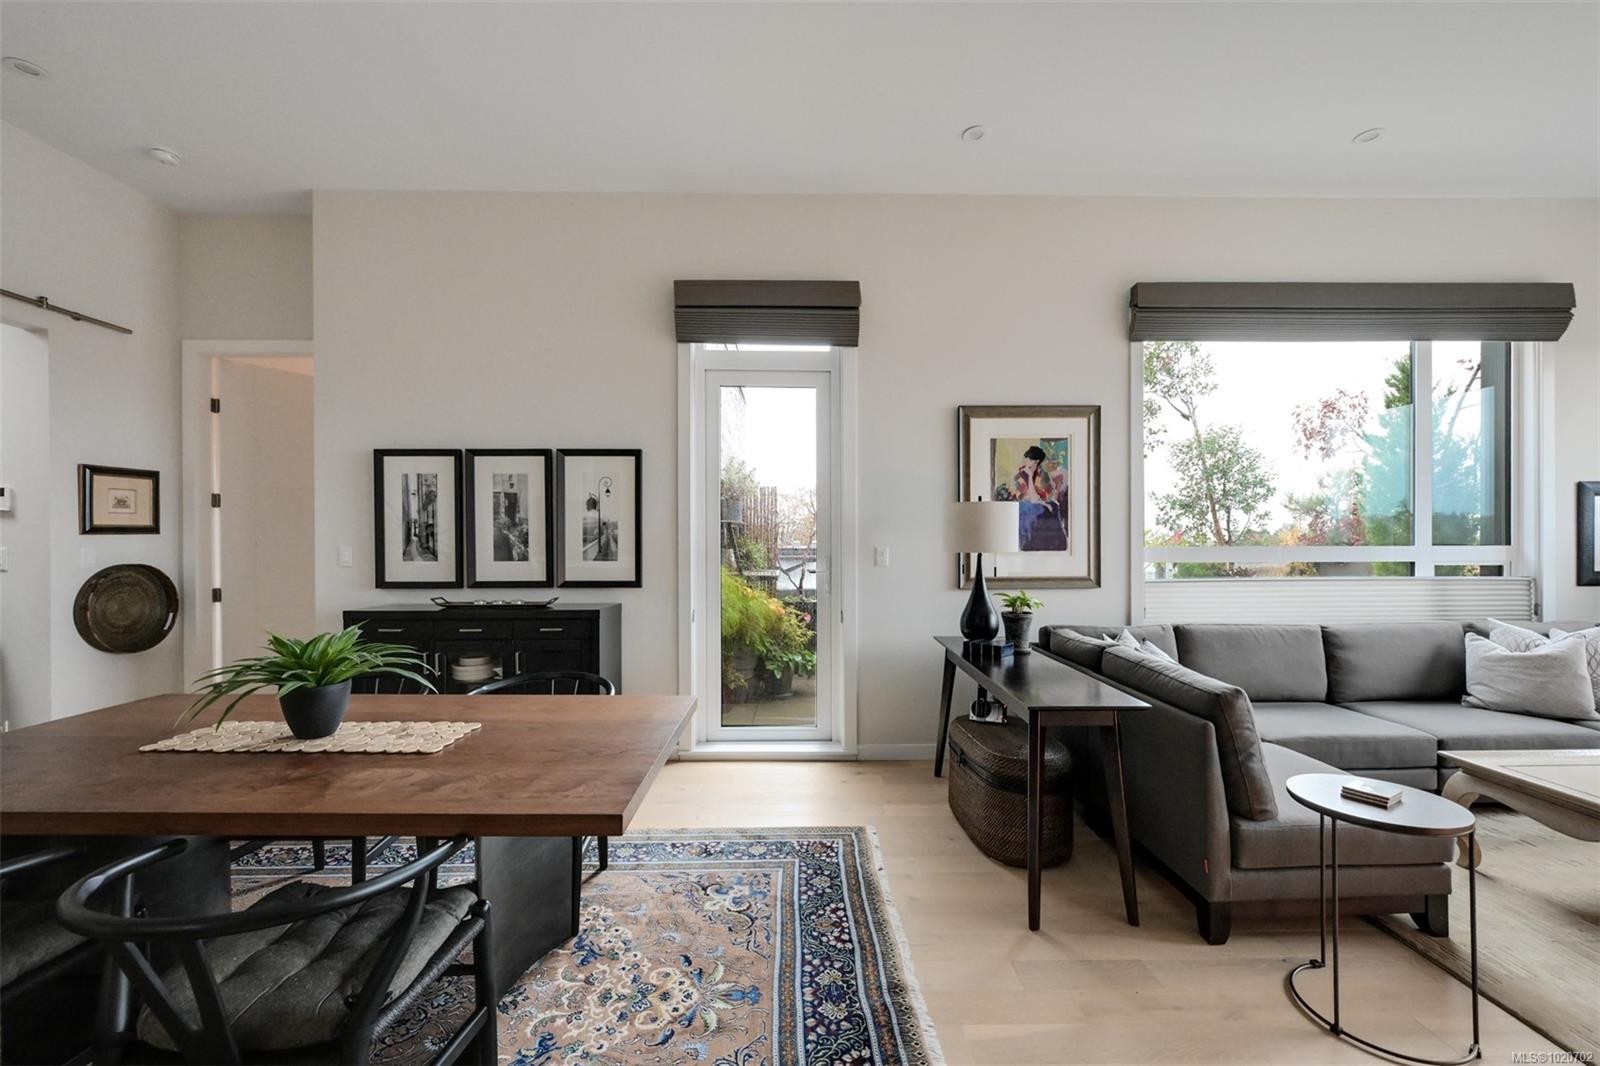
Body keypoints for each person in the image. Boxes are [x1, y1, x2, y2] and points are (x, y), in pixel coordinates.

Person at [1011, 445, 1068, 551]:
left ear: (1035, 461)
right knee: (1025, 508)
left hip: (1043, 509)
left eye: (1028, 459)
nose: (1025, 461)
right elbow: (1025, 498)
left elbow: (1044, 498)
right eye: (1025, 458)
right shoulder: (1020, 475)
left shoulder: (1044, 476)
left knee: (1037, 509)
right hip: (1029, 507)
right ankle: (1026, 544)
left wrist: (1040, 501)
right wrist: (1029, 478)